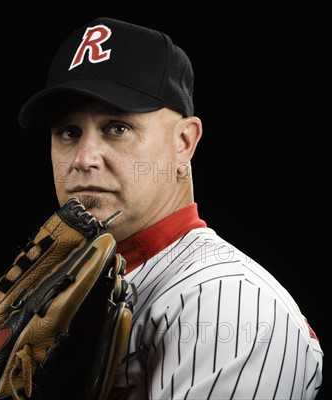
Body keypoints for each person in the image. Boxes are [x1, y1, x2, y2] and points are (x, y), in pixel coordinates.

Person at [16, 17, 323, 399]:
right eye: (68, 132)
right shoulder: (63, 292)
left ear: (184, 143)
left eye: (117, 128)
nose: (83, 157)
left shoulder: (228, 301)